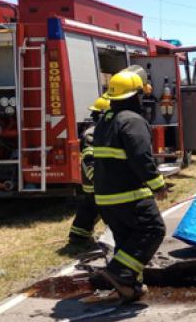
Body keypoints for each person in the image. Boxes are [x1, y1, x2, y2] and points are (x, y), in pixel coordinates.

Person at [91, 68, 167, 302]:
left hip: (106, 198)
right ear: (135, 96)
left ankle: (130, 287)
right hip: (128, 195)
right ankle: (118, 273)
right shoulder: (133, 121)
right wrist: (158, 185)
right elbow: (141, 157)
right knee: (153, 230)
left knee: (127, 241)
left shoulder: (106, 119)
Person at [67, 97, 108, 244]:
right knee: (100, 207)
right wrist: (97, 179)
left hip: (96, 179)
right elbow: (89, 159)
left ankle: (78, 235)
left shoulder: (100, 129)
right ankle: (78, 236)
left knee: (90, 208)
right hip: (95, 180)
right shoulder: (93, 133)